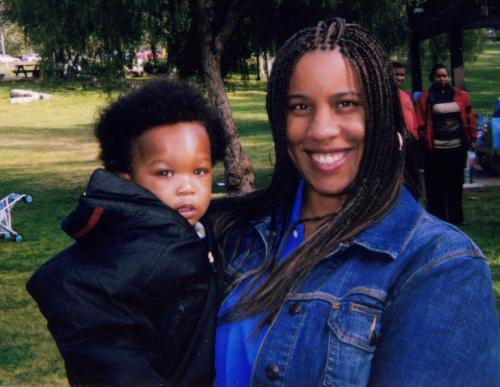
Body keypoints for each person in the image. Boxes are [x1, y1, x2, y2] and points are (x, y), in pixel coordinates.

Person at [211, 19, 500, 386]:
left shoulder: (440, 267)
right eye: (299, 106)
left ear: (380, 114)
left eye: (346, 103)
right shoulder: (238, 234)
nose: (321, 129)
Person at [26, 80, 226, 386]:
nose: (187, 187)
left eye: (199, 171)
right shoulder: (124, 255)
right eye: (165, 173)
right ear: (126, 179)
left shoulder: (201, 232)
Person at [416, 64, 477, 225]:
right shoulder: (426, 97)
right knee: (436, 186)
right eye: (438, 76)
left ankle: (457, 218)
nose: (442, 79)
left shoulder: (460, 96)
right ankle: (438, 219)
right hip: (436, 150)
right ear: (432, 78)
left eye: (444, 75)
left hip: (457, 148)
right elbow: (421, 123)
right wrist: (425, 141)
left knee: (455, 185)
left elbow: (470, 117)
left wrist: (472, 138)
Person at [391, 61, 421, 199]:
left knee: (413, 178)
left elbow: (412, 118)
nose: (400, 78)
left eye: (402, 75)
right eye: (396, 74)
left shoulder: (405, 95)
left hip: (410, 141)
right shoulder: (383, 95)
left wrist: (414, 136)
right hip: (393, 142)